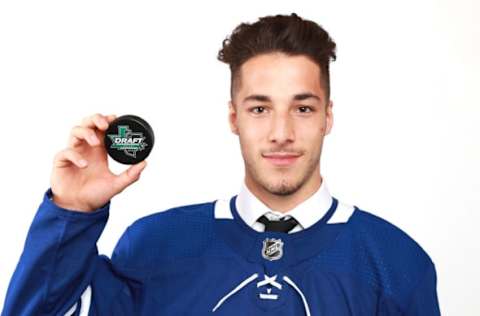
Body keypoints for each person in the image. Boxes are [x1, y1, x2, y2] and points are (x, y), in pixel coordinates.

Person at [2, 13, 441, 315]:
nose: (281, 132)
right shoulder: (153, 247)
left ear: (328, 116)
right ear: (234, 116)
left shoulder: (396, 262)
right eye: (259, 108)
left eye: (303, 108)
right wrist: (72, 213)